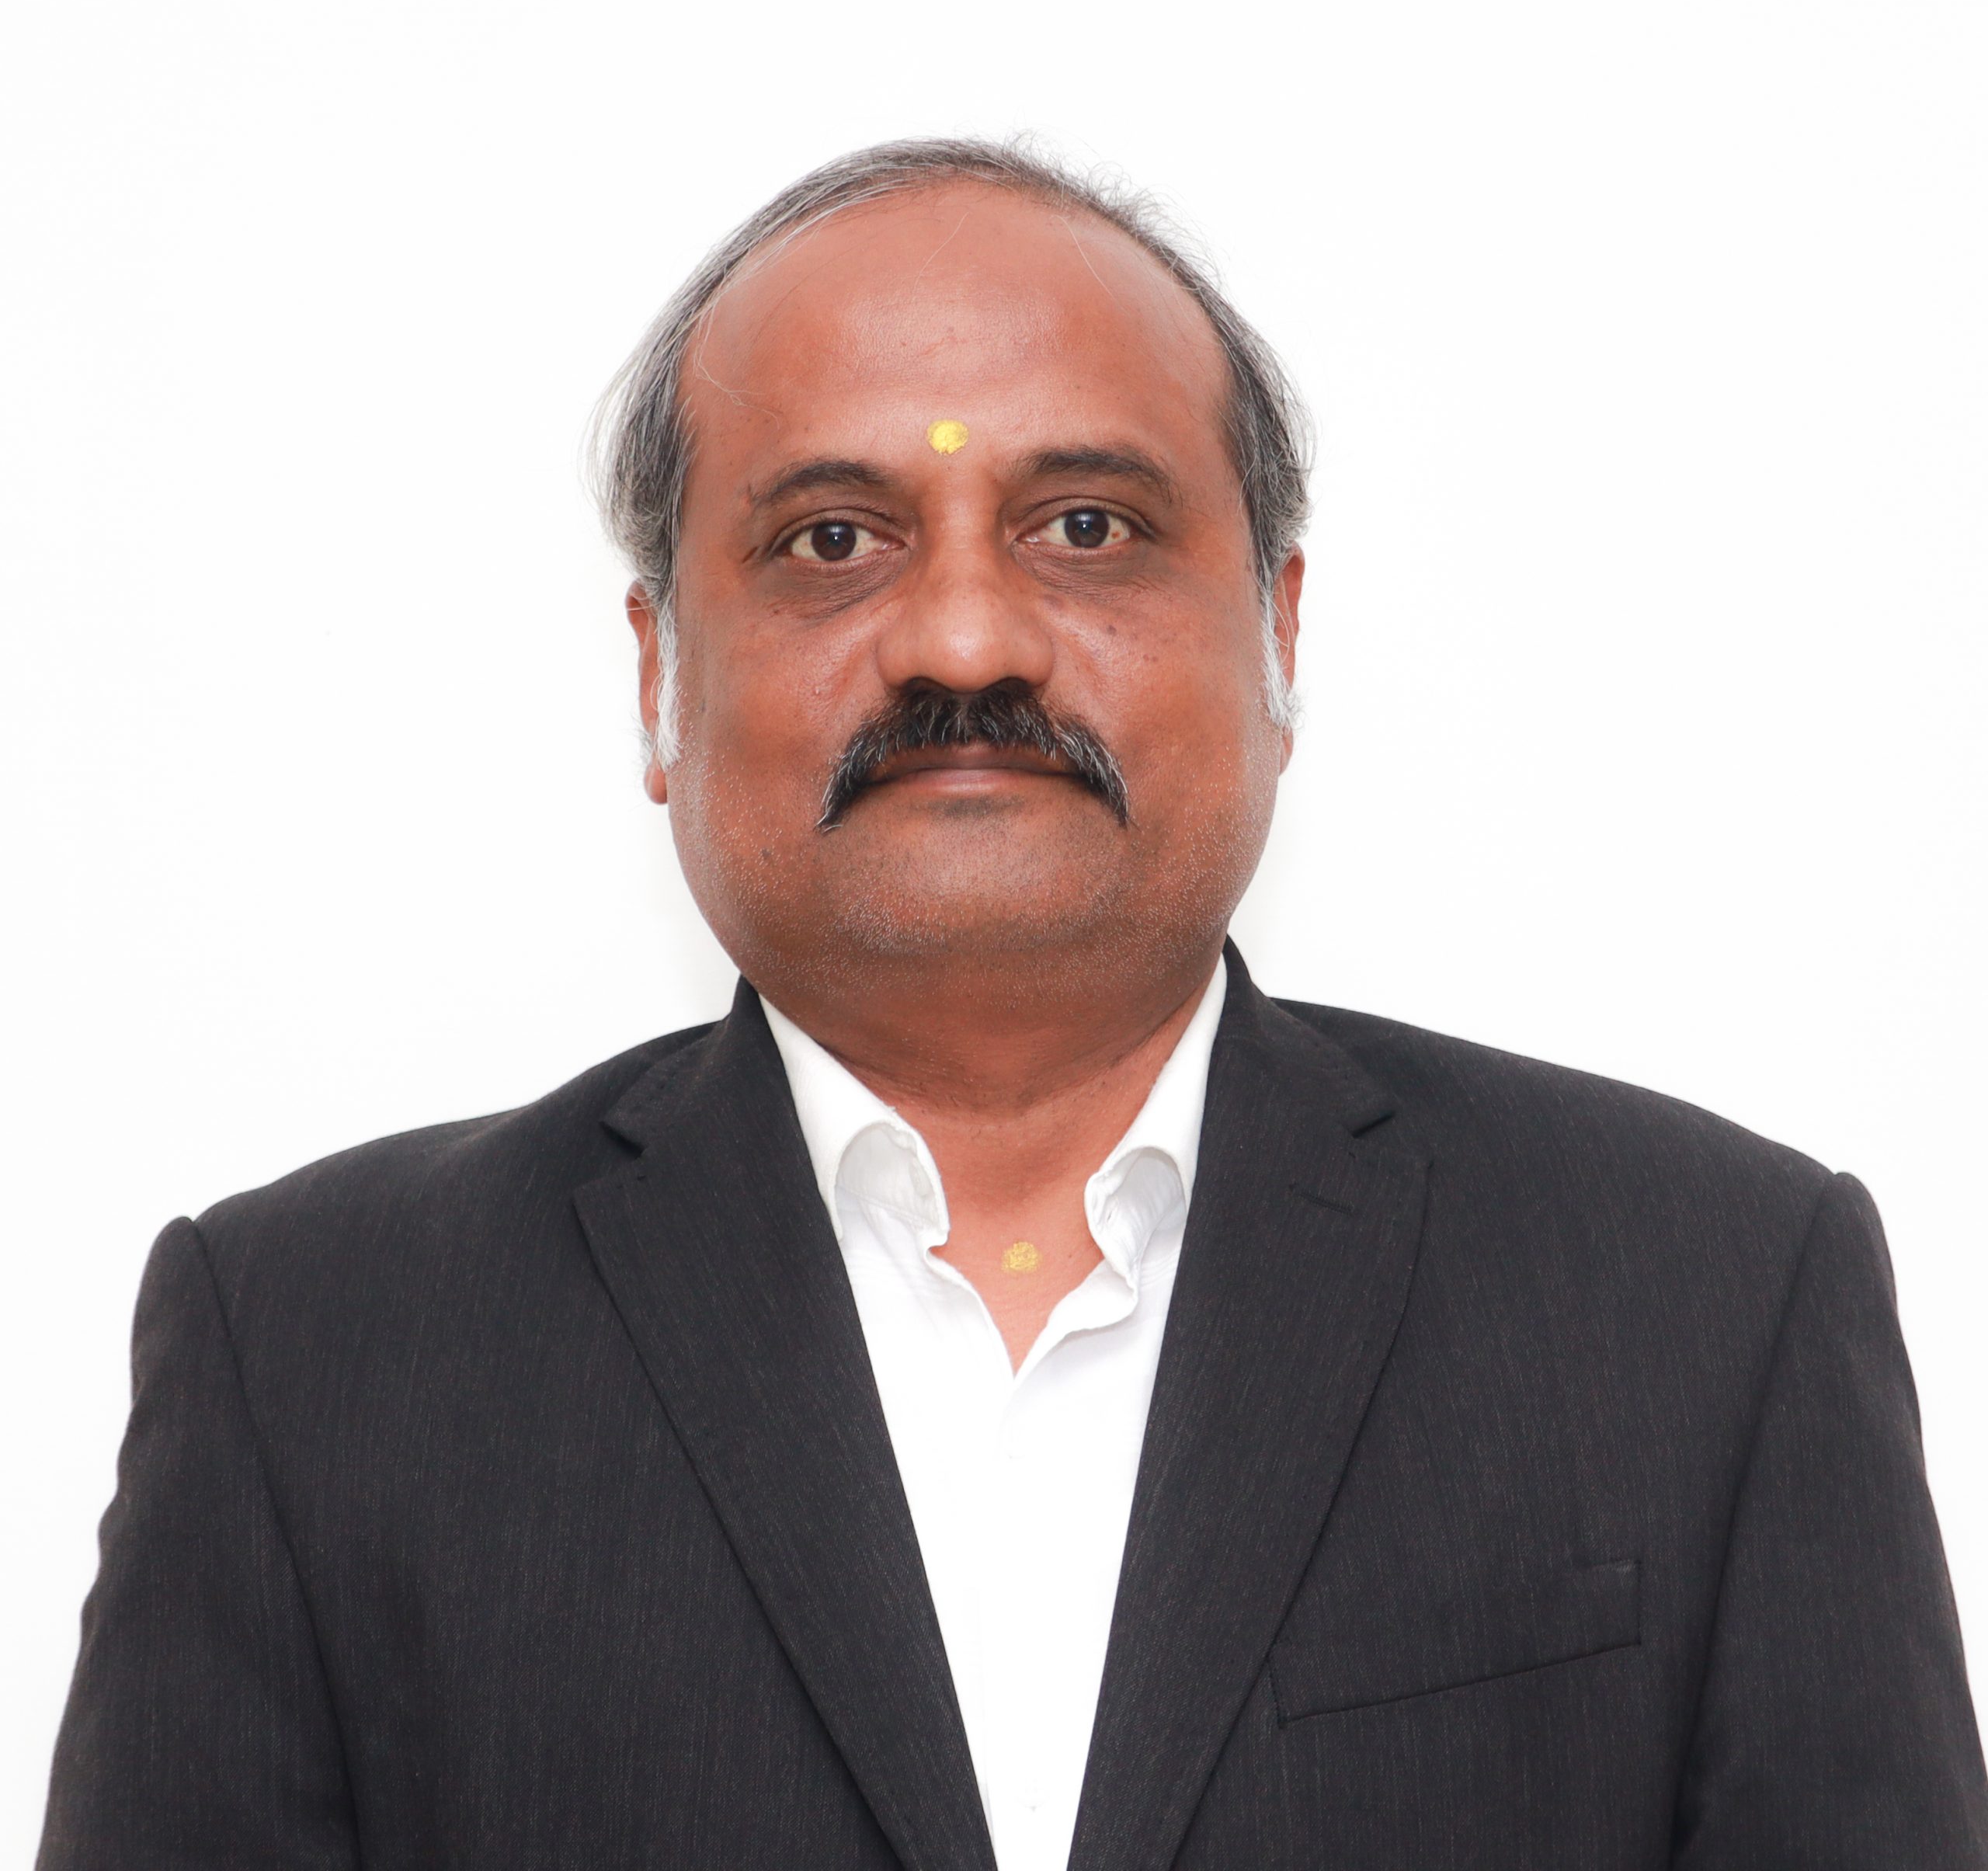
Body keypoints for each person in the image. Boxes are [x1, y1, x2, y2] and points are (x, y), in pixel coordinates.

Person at [36, 136, 1988, 1871]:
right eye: (831, 540)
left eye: (1084, 528)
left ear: (1278, 630)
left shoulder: (1706, 1299)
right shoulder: (312, 1356)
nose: (964, 637)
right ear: (656, 672)